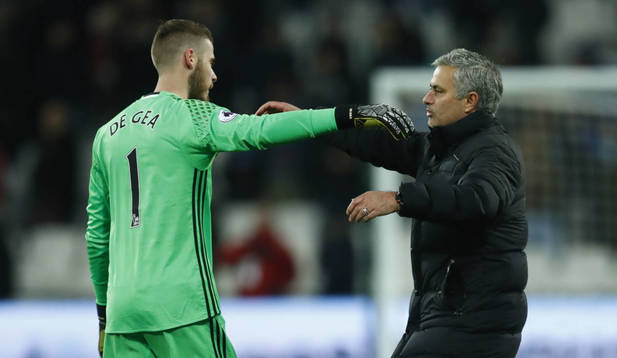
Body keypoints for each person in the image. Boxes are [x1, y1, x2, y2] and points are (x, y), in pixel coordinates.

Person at [85, 19, 414, 358]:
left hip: (123, 316)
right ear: (189, 58)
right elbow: (257, 131)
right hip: (181, 311)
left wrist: (103, 315)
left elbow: (97, 237)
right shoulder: (193, 116)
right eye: (210, 62)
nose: (214, 76)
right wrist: (349, 115)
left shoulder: (106, 135)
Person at [257, 48, 527, 357]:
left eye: (438, 91)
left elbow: (476, 200)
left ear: (470, 101)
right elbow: (376, 144)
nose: (426, 98)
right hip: (442, 314)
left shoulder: (494, 151)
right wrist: (307, 120)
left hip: (474, 321)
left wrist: (398, 199)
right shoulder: (440, 149)